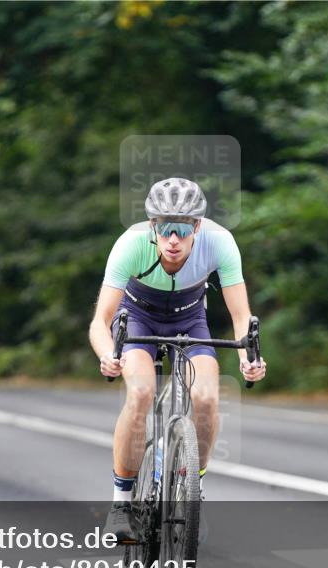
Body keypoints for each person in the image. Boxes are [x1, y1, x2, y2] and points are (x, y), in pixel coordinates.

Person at [88, 177, 267, 540]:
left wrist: (250, 356)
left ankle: (191, 491)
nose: (173, 240)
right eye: (166, 228)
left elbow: (240, 317)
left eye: (183, 230)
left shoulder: (220, 243)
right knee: (139, 394)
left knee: (207, 398)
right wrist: (108, 354)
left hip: (190, 318)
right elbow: (100, 322)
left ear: (197, 227)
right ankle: (121, 504)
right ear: (152, 225)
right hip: (139, 316)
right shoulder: (130, 245)